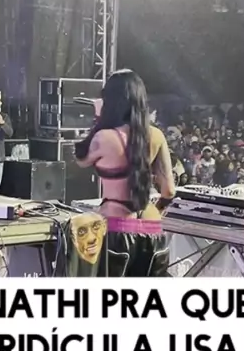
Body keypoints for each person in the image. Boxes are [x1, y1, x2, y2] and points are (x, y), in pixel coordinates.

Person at [74, 69, 175, 277]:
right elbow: (169, 191)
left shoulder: (104, 137)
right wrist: (157, 208)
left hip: (116, 229)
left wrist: (98, 117)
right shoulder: (156, 135)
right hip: (152, 228)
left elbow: (80, 158)